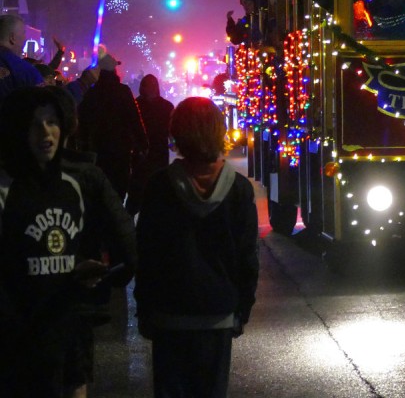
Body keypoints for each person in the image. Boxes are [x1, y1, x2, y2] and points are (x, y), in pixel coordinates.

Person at [0, 86, 136, 398]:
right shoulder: (6, 189)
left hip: (68, 325)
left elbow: (126, 241)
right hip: (18, 333)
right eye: (35, 124)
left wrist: (103, 273)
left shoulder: (81, 181)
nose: (45, 131)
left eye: (52, 122)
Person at [135, 97, 259, 398]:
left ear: (176, 134)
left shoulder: (159, 186)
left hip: (169, 314)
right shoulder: (239, 189)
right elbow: (247, 258)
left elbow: (146, 255)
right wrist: (242, 308)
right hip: (218, 313)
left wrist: (145, 309)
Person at [77, 53, 149, 207]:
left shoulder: (91, 93)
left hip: (97, 151)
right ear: (114, 71)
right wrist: (143, 143)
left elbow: (82, 122)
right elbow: (134, 119)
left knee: (98, 195)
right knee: (117, 191)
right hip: (120, 151)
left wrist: (83, 147)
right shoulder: (123, 91)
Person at [132, 74, 175, 217]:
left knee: (137, 193)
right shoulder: (167, 106)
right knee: (159, 190)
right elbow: (172, 131)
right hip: (159, 153)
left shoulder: (135, 105)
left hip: (140, 155)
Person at [0, 13, 45, 109]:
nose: (25, 39)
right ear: (13, 38)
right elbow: (42, 108)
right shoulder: (27, 71)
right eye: (24, 33)